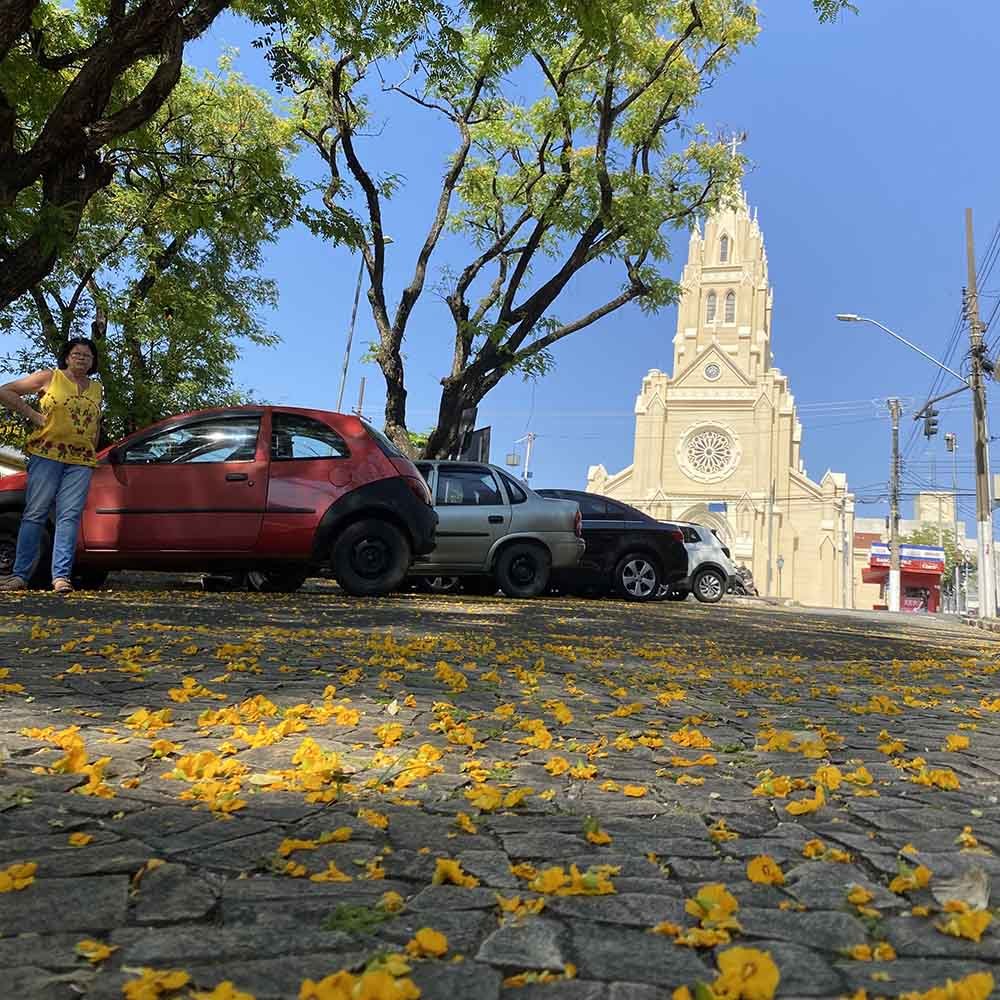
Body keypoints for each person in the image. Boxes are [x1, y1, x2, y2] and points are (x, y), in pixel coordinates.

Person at [0, 338, 103, 593]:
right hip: (48, 454)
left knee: (68, 517)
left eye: (87, 356)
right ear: (67, 357)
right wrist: (35, 415)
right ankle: (20, 575)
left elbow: (95, 422)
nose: (81, 358)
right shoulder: (50, 377)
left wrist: (93, 447)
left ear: (92, 362)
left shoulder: (97, 388)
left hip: (80, 460)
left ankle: (61, 578)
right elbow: (5, 391)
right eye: (77, 354)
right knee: (35, 513)